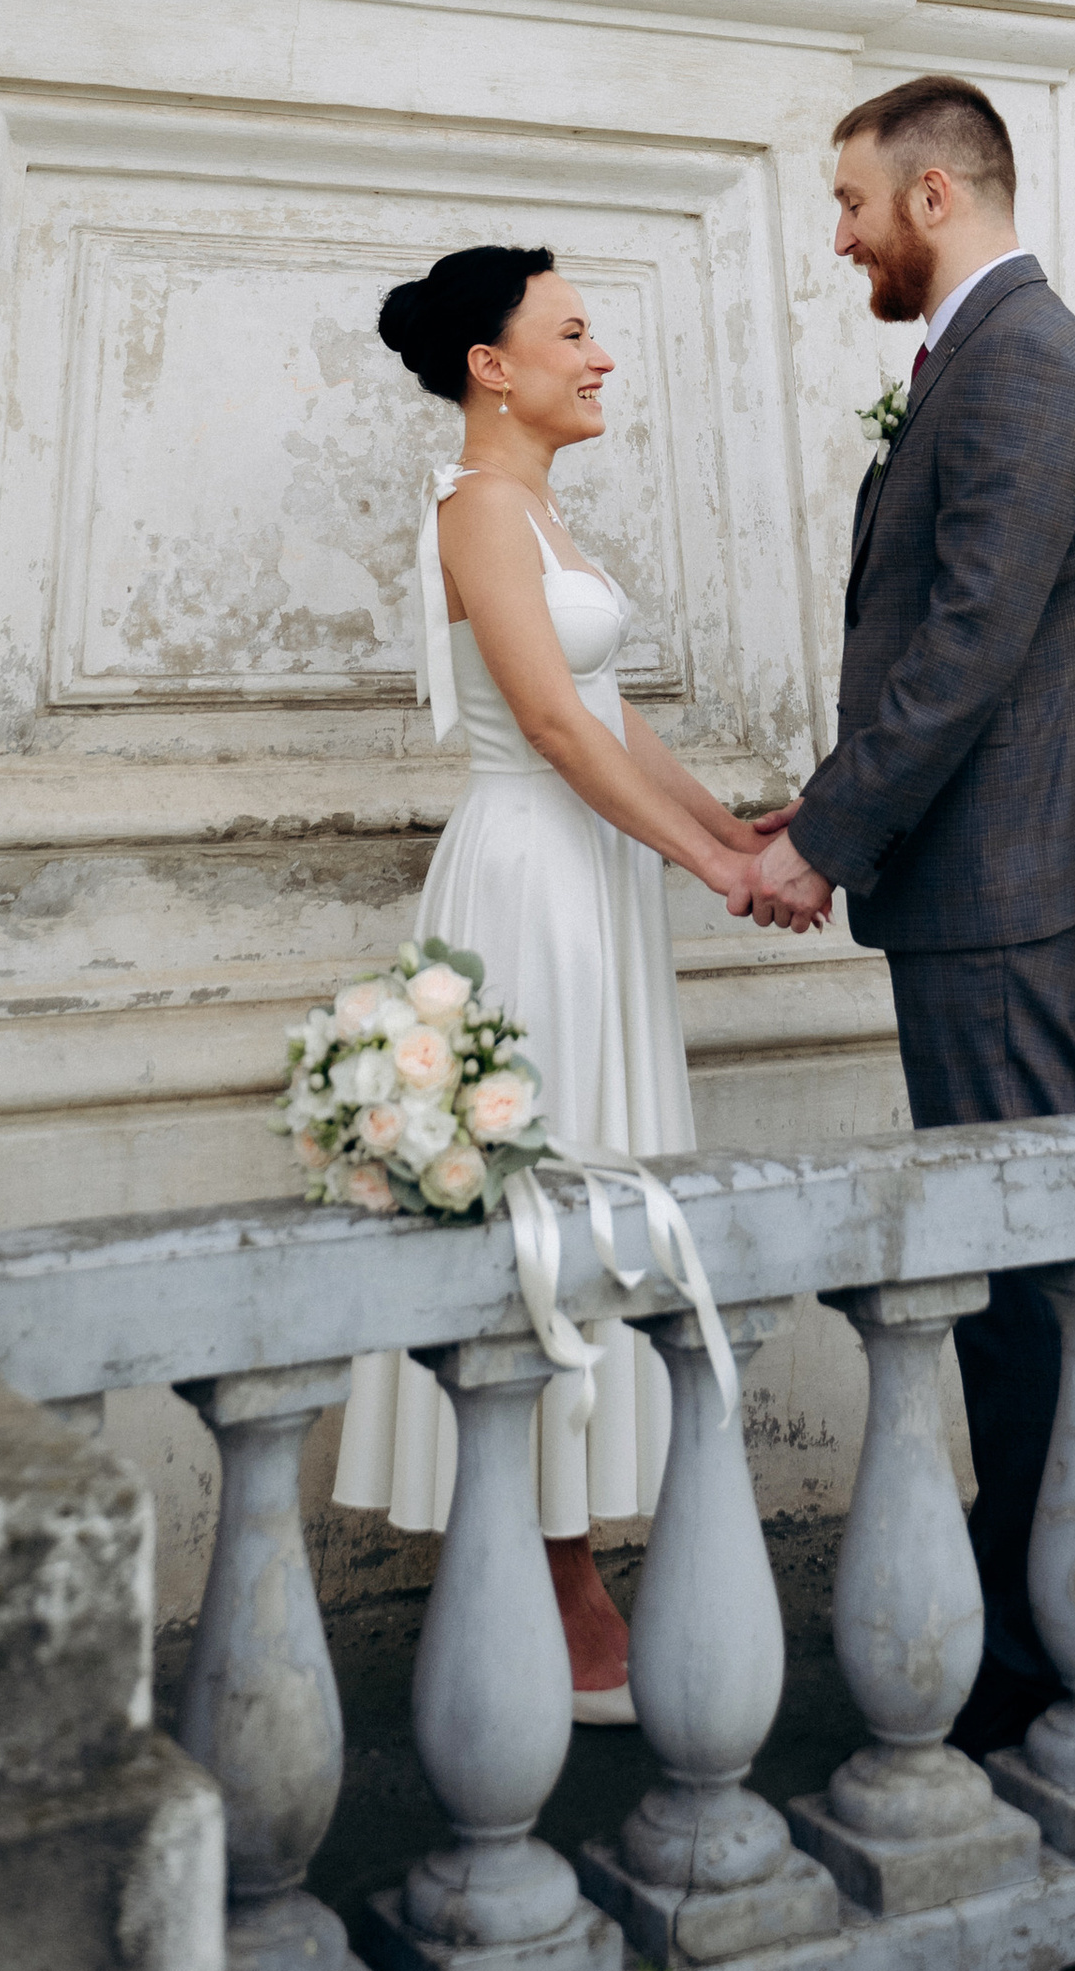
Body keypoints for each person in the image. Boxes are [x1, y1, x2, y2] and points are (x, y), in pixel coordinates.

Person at [732, 76, 1075, 1762]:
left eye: (849, 203)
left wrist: (828, 838)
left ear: (931, 194)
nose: (836, 236)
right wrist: (824, 799)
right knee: (1001, 1269)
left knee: (1012, 1277)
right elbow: (957, 633)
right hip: (982, 867)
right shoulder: (990, 362)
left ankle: (1050, 1641)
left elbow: (975, 643)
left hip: (1006, 878)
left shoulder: (1027, 365)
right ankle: (1047, 1608)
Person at [334, 244, 810, 1718]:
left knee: (602, 1188)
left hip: (591, 873)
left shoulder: (537, 505)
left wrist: (741, 827)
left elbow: (614, 718)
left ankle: (565, 1549)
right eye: (575, 331)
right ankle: (550, 1575)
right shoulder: (478, 507)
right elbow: (549, 723)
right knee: (541, 1209)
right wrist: (719, 871)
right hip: (532, 881)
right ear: (493, 363)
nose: (599, 358)